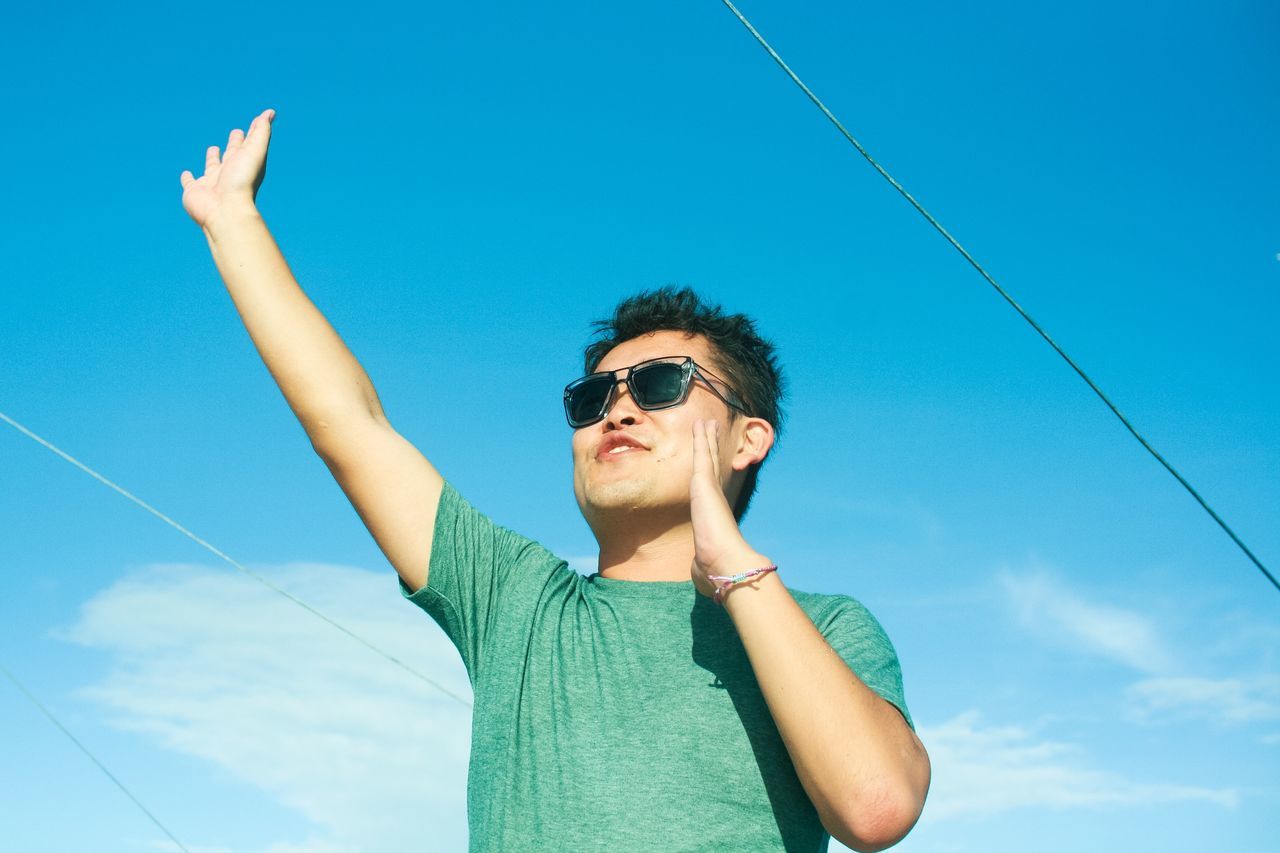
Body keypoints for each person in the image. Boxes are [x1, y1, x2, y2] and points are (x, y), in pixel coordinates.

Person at [181, 109, 930, 852]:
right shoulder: (516, 599)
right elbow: (353, 425)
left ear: (749, 437)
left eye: (661, 382)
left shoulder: (828, 627)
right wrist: (232, 223)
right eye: (592, 397)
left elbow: (874, 806)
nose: (618, 409)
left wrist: (732, 563)